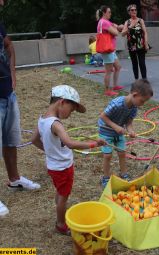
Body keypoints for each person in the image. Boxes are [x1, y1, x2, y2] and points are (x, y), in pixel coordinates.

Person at [31, 85, 106, 235]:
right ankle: (61, 224)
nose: (70, 114)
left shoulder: (42, 119)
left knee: (60, 193)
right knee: (64, 196)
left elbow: (34, 140)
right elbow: (70, 143)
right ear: (62, 102)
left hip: (53, 166)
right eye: (71, 110)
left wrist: (51, 152)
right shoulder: (56, 124)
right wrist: (93, 144)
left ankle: (59, 209)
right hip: (63, 167)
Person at [0, 0, 41, 217]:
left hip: (7, 93)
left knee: (10, 140)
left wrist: (13, 72)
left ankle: (15, 180)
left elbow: (8, 44)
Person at [98, 79, 153, 187]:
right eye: (142, 101)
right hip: (106, 131)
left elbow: (129, 123)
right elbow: (102, 116)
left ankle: (124, 174)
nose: (142, 104)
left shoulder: (134, 108)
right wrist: (115, 126)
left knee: (122, 152)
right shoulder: (117, 104)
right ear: (135, 94)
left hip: (118, 132)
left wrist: (131, 131)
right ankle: (105, 177)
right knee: (107, 155)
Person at [96, 6, 124, 96]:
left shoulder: (105, 22)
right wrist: (116, 28)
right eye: (109, 12)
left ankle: (115, 86)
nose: (110, 14)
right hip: (107, 50)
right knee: (108, 71)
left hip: (110, 49)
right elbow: (116, 32)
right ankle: (107, 90)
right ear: (104, 13)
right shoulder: (104, 22)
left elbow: (117, 27)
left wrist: (118, 27)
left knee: (118, 67)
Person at [121, 4, 149, 80]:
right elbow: (123, 34)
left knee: (142, 62)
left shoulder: (140, 20)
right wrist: (130, 26)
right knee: (134, 63)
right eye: (132, 10)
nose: (134, 11)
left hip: (140, 44)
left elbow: (145, 32)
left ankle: (144, 79)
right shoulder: (127, 22)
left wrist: (146, 44)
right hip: (131, 45)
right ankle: (136, 79)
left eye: (135, 10)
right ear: (129, 12)